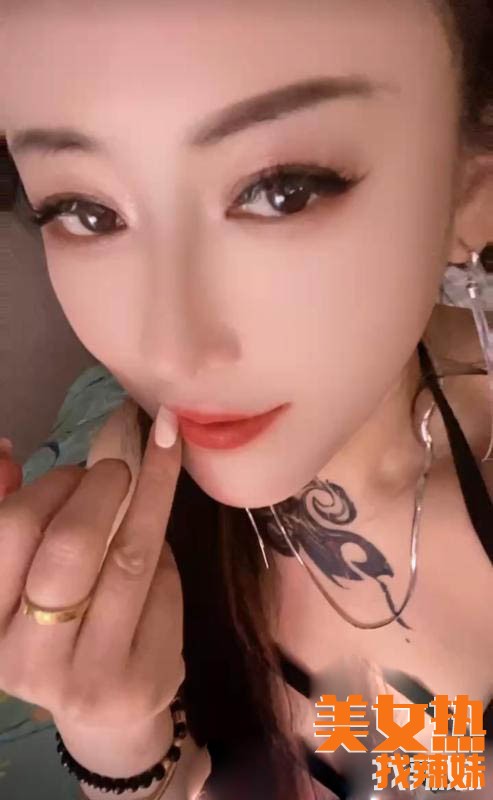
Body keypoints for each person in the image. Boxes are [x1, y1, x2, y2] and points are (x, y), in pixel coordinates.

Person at [0, 1, 492, 798]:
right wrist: (115, 739)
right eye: (86, 212)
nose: (168, 351)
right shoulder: (134, 497)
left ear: (470, 191)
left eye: (282, 192)